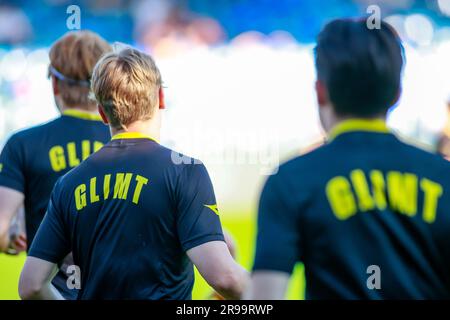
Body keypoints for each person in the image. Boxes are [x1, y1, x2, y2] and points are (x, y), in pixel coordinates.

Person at [19, 47, 248, 300]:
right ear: (160, 97)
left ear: (103, 114)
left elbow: (30, 285)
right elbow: (225, 277)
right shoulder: (185, 171)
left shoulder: (69, 184)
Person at [246, 18, 450, 299]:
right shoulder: (442, 176)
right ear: (397, 94)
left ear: (320, 91)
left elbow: (264, 299)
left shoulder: (291, 181)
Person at [0, 31, 112, 299]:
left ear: (55, 86)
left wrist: (10, 239)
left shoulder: (22, 144)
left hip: (51, 292)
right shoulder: (131, 143)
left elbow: (2, 230)